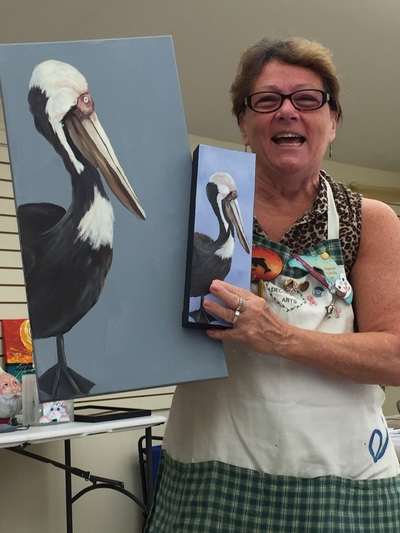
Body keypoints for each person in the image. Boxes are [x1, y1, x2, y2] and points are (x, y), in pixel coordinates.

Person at [145, 36, 400, 532]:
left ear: (333, 121)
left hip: (342, 486)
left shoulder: (369, 221)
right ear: (244, 124)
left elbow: (394, 356)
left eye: (308, 99)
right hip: (211, 478)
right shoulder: (189, 208)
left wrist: (279, 337)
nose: (287, 111)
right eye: (266, 100)